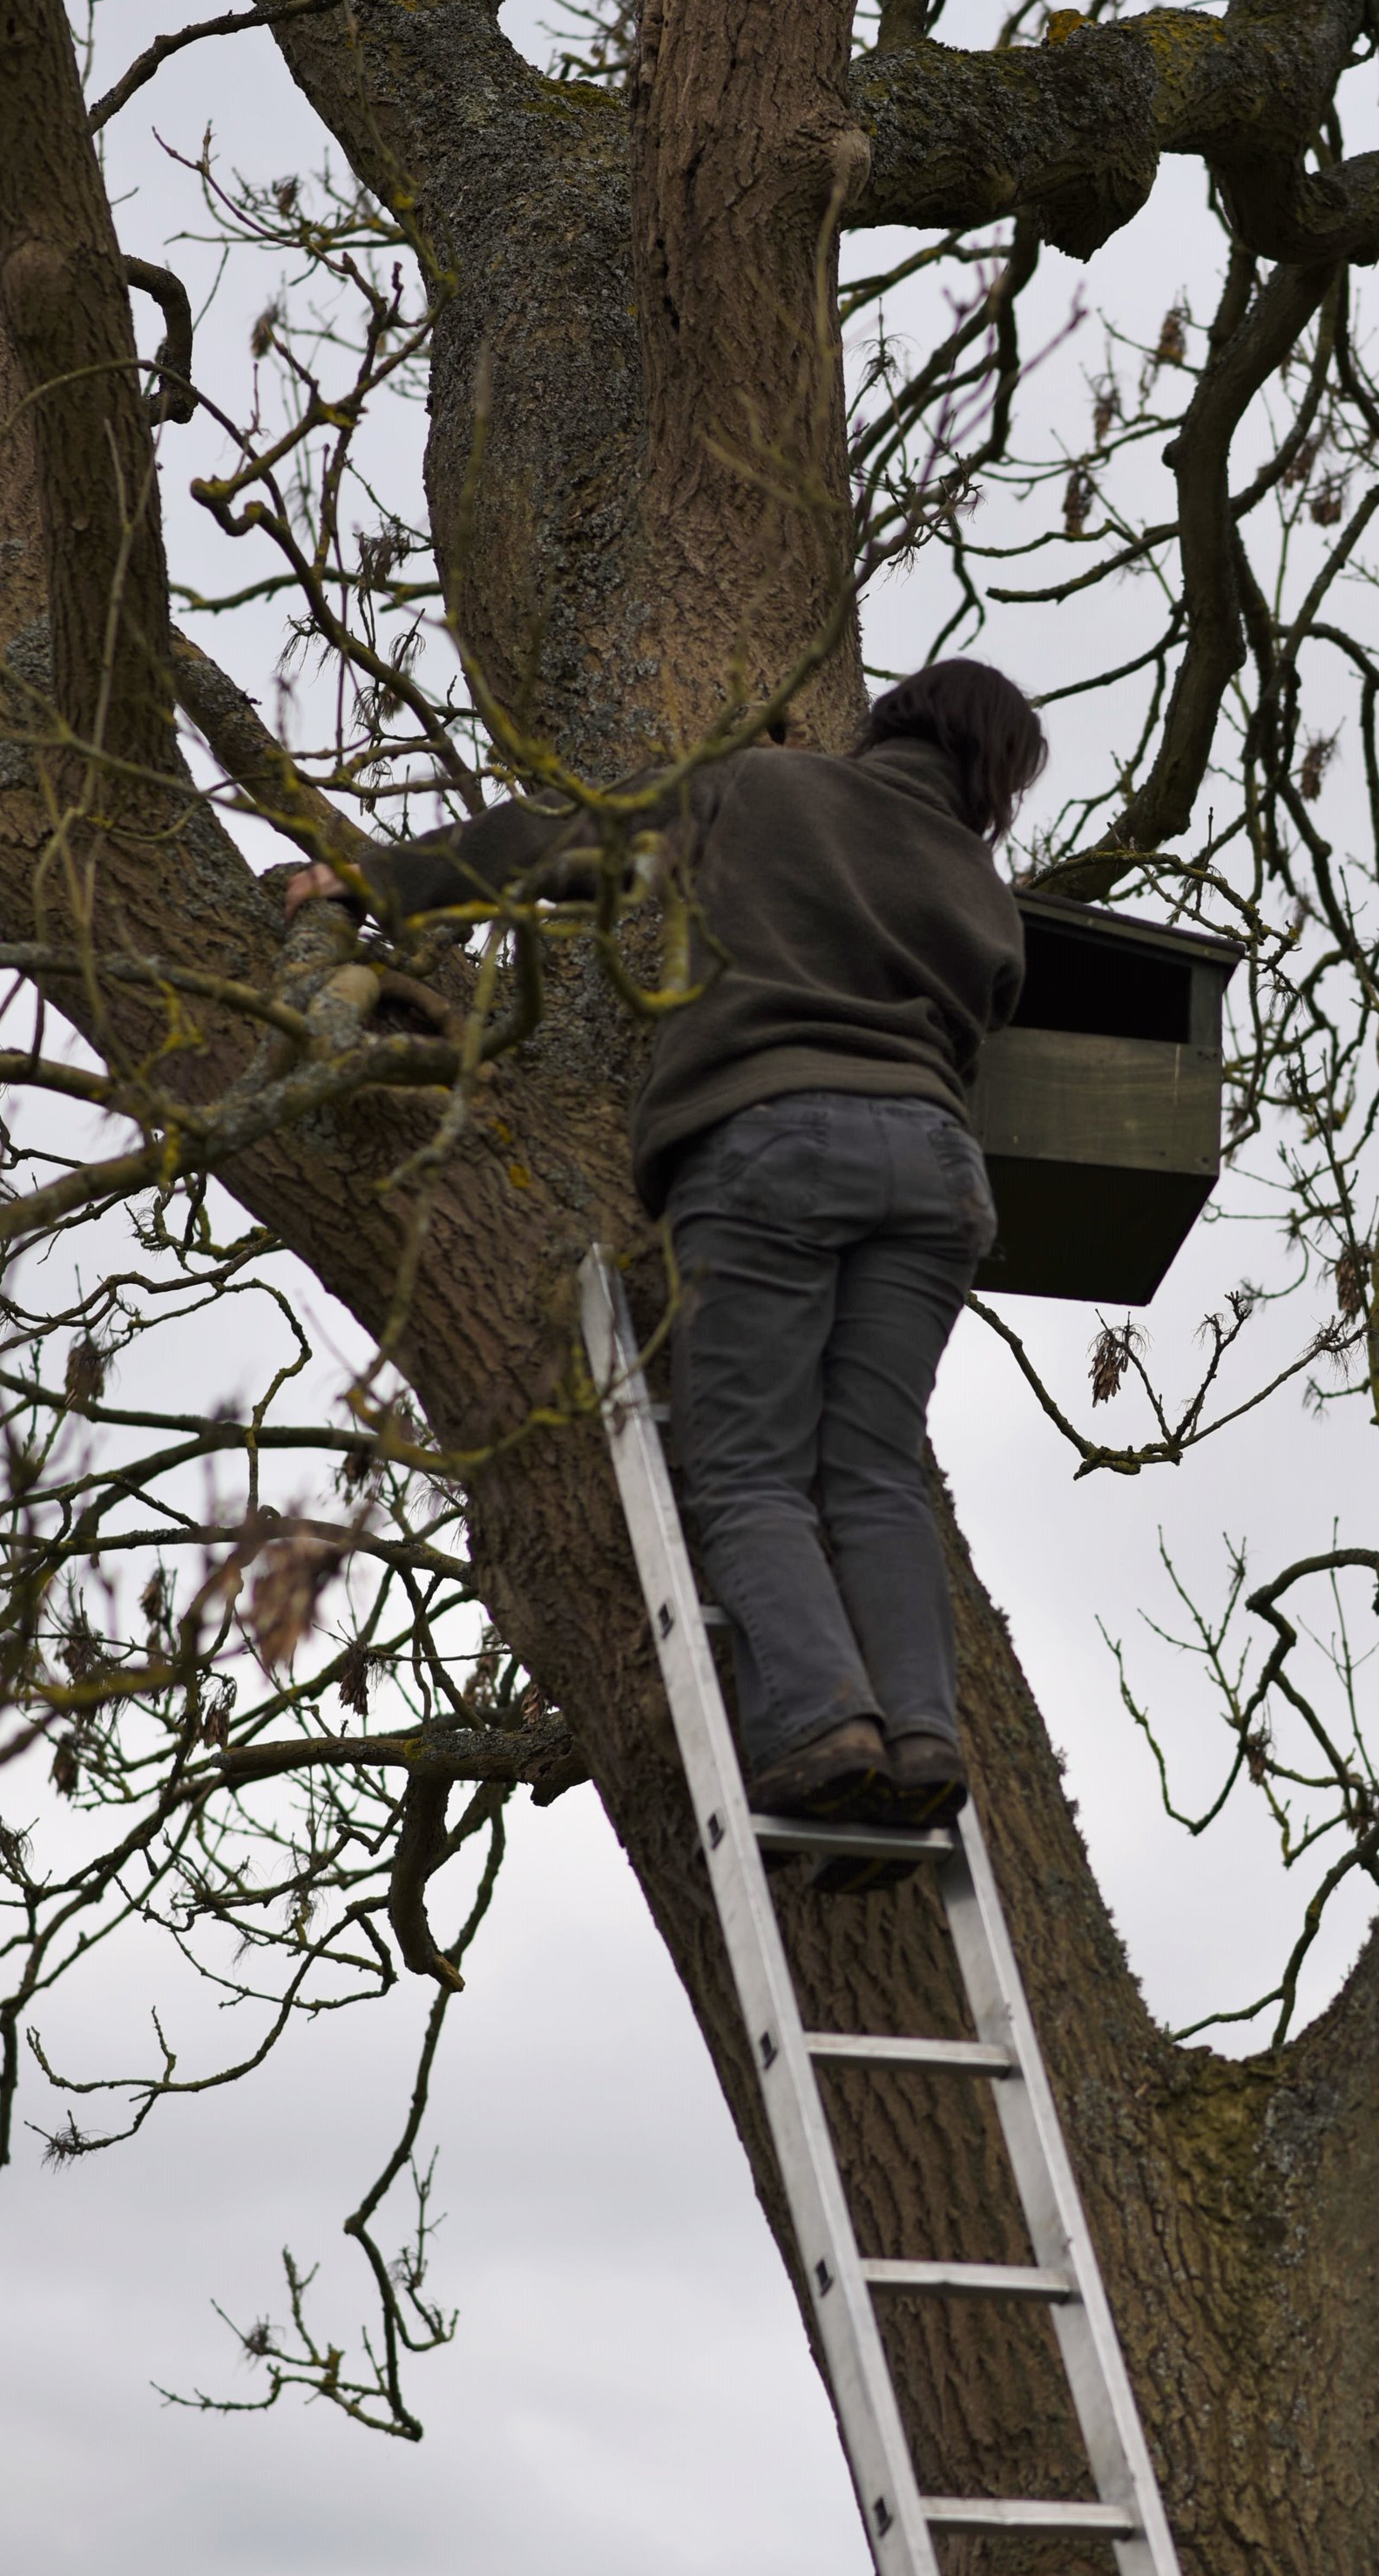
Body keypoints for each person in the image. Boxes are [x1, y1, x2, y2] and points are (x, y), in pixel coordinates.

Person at [284, 660, 1045, 1830]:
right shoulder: (986, 894)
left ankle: (825, 1723)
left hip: (774, 1141)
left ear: (889, 722)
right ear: (991, 778)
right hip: (939, 1176)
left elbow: (570, 835)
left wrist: (385, 881)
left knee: (746, 1464)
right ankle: (926, 1732)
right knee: (877, 1470)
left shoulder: (761, 787)